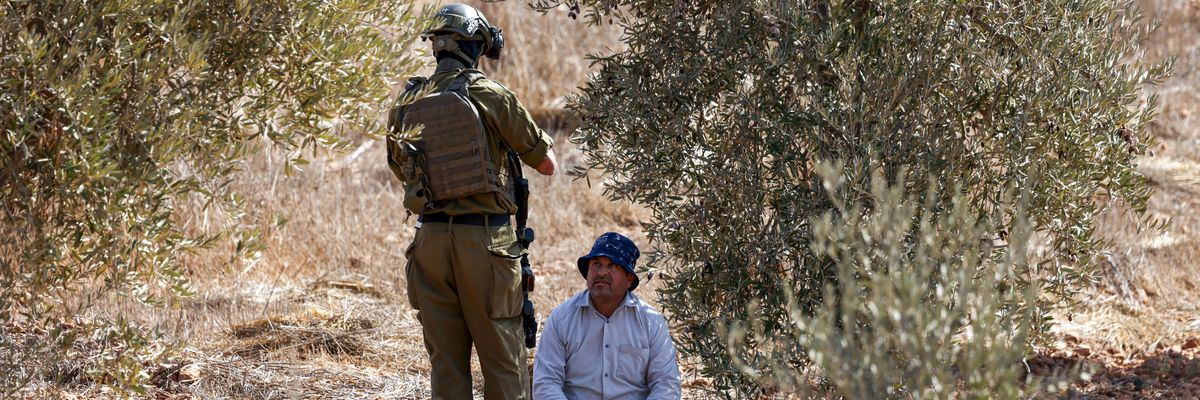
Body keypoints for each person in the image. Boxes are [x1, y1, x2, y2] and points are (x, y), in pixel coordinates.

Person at [386, 4, 557, 399]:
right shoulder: (488, 93)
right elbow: (546, 164)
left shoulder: (408, 100)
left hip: (428, 245)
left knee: (446, 365)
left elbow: (400, 168)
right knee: (503, 361)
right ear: (476, 45)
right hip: (485, 246)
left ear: (437, 47)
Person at [533, 232, 682, 399]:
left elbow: (666, 385)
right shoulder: (561, 319)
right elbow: (546, 383)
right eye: (596, 264)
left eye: (612, 265)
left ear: (629, 279)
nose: (602, 272)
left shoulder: (651, 322)